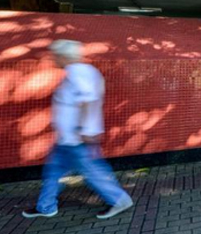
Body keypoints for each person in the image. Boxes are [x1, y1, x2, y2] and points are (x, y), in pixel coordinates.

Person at [22, 40, 133, 220]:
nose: (53, 59)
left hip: (77, 138)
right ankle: (46, 206)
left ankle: (120, 200)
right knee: (55, 171)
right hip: (67, 138)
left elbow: (88, 101)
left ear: (64, 56)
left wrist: (84, 129)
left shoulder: (77, 73)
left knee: (92, 172)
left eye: (55, 55)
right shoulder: (83, 72)